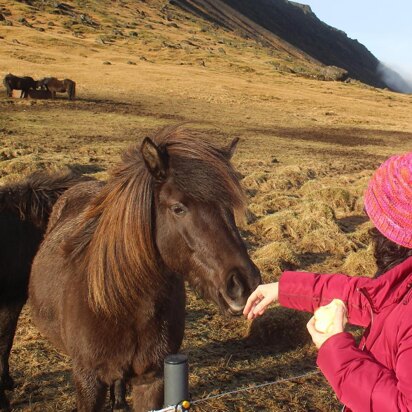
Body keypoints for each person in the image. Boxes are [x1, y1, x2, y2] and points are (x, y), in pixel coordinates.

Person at [243, 152, 412, 412]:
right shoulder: (404, 281)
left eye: (375, 222)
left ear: (391, 234)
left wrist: (336, 348)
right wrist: (284, 289)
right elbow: (369, 298)